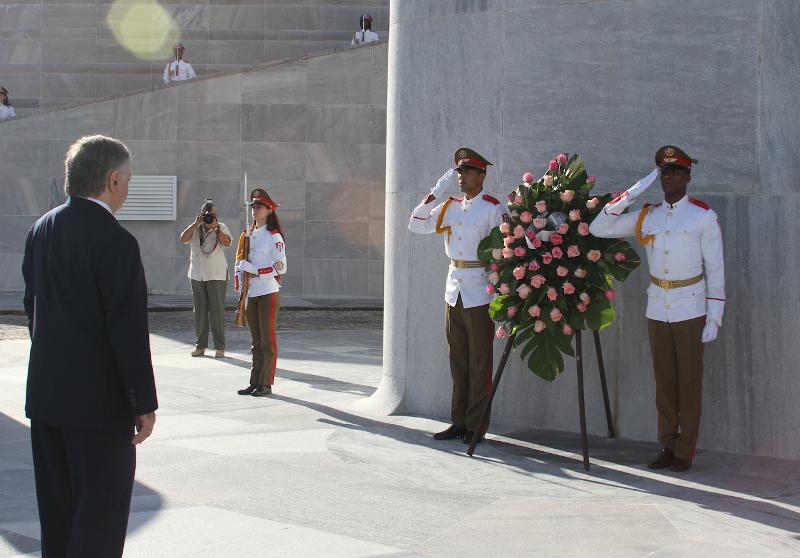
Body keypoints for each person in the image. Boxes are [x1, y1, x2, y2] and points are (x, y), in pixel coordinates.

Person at [21, 135, 158, 556]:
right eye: (129, 179)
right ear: (113, 179)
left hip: (46, 399)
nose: (129, 188)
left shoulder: (41, 229)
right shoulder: (115, 240)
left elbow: (33, 309)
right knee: (99, 519)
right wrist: (142, 402)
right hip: (98, 407)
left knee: (58, 517)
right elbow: (127, 330)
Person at [589, 145, 725, 473]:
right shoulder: (648, 215)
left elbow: (716, 268)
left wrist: (714, 316)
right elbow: (598, 228)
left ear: (687, 177)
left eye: (675, 171)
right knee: (664, 382)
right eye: (663, 172)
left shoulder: (702, 216)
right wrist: (631, 194)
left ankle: (685, 450)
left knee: (689, 382)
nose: (668, 177)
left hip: (690, 308)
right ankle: (666, 443)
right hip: (657, 308)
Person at [408, 148, 509, 445]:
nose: (461, 177)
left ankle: (477, 425)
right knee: (458, 360)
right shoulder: (450, 206)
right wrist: (433, 194)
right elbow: (415, 224)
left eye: (467, 171)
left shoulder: (492, 208)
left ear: (481, 175)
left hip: (479, 289)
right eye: (459, 172)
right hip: (454, 289)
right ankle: (459, 422)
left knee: (480, 361)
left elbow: (505, 248)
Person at [235, 188, 287, 397]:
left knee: (267, 340)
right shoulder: (247, 235)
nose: (254, 210)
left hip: (267, 290)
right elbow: (240, 263)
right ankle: (255, 381)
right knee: (255, 341)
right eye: (253, 206)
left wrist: (255, 270)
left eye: (258, 207)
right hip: (251, 292)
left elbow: (281, 267)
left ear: (269, 210)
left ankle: (266, 383)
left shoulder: (273, 237)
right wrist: (240, 279)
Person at [179, 199, 232, 358]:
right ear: (201, 214)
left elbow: (228, 242)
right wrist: (195, 223)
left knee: (217, 311)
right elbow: (183, 238)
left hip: (216, 274)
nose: (209, 217)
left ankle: (220, 347)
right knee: (199, 311)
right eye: (206, 214)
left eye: (212, 214)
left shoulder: (221, 227)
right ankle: (200, 346)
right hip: (197, 274)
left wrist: (215, 228)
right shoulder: (195, 228)